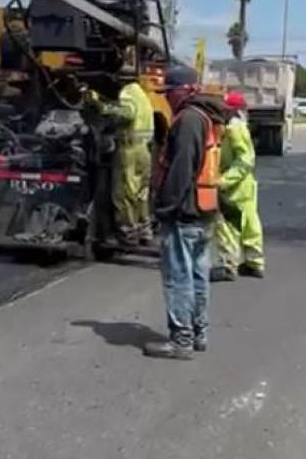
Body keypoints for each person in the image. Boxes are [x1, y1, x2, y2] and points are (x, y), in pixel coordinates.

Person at [144, 64, 227, 360]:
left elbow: (182, 168)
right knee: (197, 274)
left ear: (186, 90)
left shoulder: (189, 119)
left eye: (169, 92)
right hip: (202, 208)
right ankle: (198, 333)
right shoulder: (206, 116)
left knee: (179, 276)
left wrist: (164, 207)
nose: (166, 98)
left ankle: (181, 339)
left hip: (184, 211)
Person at [89, 75, 155, 245]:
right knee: (141, 193)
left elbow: (126, 113)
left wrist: (101, 106)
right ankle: (144, 230)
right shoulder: (142, 95)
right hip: (144, 150)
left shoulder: (128, 92)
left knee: (124, 193)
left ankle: (128, 233)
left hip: (129, 150)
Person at [212, 90, 265, 281]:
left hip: (234, 186)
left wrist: (223, 180)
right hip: (244, 186)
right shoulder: (239, 127)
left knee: (227, 225)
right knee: (249, 224)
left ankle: (228, 265)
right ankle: (254, 263)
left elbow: (245, 160)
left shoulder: (233, 129)